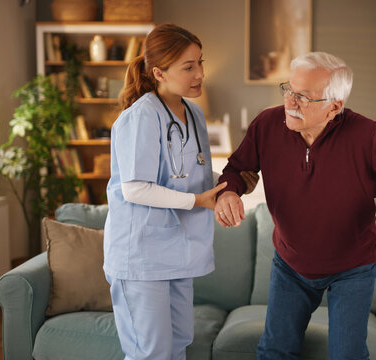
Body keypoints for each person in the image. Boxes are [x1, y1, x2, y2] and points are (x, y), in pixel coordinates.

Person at [214, 52, 376, 359]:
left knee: (347, 355)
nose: (290, 102)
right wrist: (229, 192)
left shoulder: (369, 137)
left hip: (352, 269)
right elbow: (235, 170)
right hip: (291, 264)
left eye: (303, 97)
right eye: (288, 90)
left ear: (334, 106)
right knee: (274, 352)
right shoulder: (267, 125)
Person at [103, 23, 258, 360]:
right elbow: (134, 188)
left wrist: (232, 184)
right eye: (189, 67)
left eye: (200, 62)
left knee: (178, 345)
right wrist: (197, 200)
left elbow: (191, 173)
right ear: (159, 72)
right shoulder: (140, 117)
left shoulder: (194, 113)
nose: (200, 73)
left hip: (177, 254)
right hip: (141, 256)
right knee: (152, 352)